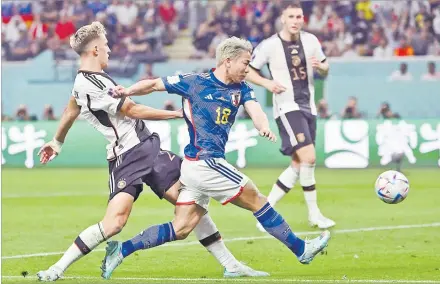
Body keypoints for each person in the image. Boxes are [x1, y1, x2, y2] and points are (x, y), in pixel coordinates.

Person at [36, 22, 268, 282]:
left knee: (190, 206)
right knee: (115, 223)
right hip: (126, 157)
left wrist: (56, 142)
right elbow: (131, 110)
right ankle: (57, 268)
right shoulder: (89, 82)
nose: (110, 50)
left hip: (148, 147)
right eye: (107, 45)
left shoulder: (90, 79)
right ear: (95, 50)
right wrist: (177, 113)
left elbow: (71, 109)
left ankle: (231, 265)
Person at [101, 36, 330, 279]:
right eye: (245, 62)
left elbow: (256, 110)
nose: (248, 68)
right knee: (257, 199)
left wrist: (262, 125)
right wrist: (127, 90)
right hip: (205, 162)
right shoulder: (195, 82)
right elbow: (154, 84)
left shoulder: (241, 88)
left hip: (196, 167)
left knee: (181, 228)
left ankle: (121, 250)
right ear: (227, 61)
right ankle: (301, 249)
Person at [245, 2, 335, 231]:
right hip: (287, 107)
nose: (296, 20)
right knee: (310, 157)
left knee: (298, 163)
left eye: (299, 16)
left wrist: (322, 68)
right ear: (283, 19)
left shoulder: (311, 41)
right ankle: (314, 214)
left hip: (309, 106)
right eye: (291, 16)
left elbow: (325, 66)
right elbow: (247, 70)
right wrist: (266, 82)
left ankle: (264, 214)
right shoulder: (270, 45)